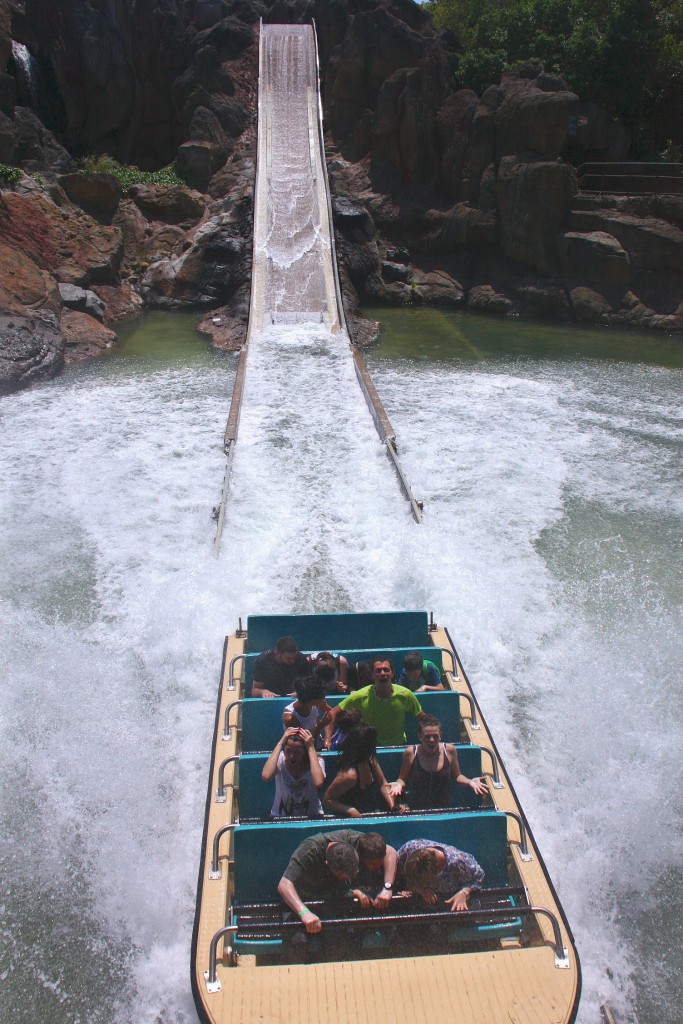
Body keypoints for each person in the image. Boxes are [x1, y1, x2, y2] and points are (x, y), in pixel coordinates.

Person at [278, 830, 398, 934]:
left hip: (332, 902)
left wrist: (387, 888)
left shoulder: (358, 842)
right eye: (342, 877)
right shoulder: (310, 850)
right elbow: (284, 885)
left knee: (338, 939)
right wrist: (304, 913)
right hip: (302, 900)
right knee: (298, 942)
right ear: (328, 864)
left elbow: (390, 851)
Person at [388, 715, 488, 811]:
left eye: (435, 736)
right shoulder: (410, 753)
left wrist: (470, 781)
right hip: (417, 810)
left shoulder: (449, 750)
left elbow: (457, 776)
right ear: (419, 736)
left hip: (443, 810)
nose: (431, 740)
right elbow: (402, 779)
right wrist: (397, 784)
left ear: (440, 735)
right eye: (427, 737)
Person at [327, 657, 427, 746]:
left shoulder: (406, 695)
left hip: (399, 745)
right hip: (371, 749)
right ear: (372, 675)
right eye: (378, 671)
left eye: (386, 670)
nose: (382, 673)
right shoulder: (361, 696)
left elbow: (423, 718)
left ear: (392, 673)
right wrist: (327, 742)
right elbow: (333, 712)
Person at [323, 724, 394, 817]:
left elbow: (383, 784)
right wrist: (350, 810)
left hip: (370, 811)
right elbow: (327, 800)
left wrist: (392, 806)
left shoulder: (371, 759)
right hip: (351, 820)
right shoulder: (349, 776)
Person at [396, 839, 485, 911]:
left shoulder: (459, 862)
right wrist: (418, 889)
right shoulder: (409, 848)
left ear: (437, 872)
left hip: (450, 898)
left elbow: (479, 876)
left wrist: (464, 892)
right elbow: (395, 864)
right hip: (419, 898)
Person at [261, 727, 325, 817]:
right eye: (288, 751)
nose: (292, 756)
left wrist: (310, 747)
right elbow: (266, 776)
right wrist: (280, 743)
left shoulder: (317, 762)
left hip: (312, 816)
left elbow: (318, 782)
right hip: (280, 817)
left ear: (305, 752)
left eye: (297, 752)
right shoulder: (280, 759)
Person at [282, 676, 333, 750]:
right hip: (303, 752)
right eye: (320, 698)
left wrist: (327, 740)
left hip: (318, 744)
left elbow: (331, 714)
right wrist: (320, 726)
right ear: (310, 700)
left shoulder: (318, 701)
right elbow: (305, 747)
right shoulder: (290, 718)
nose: (323, 699)